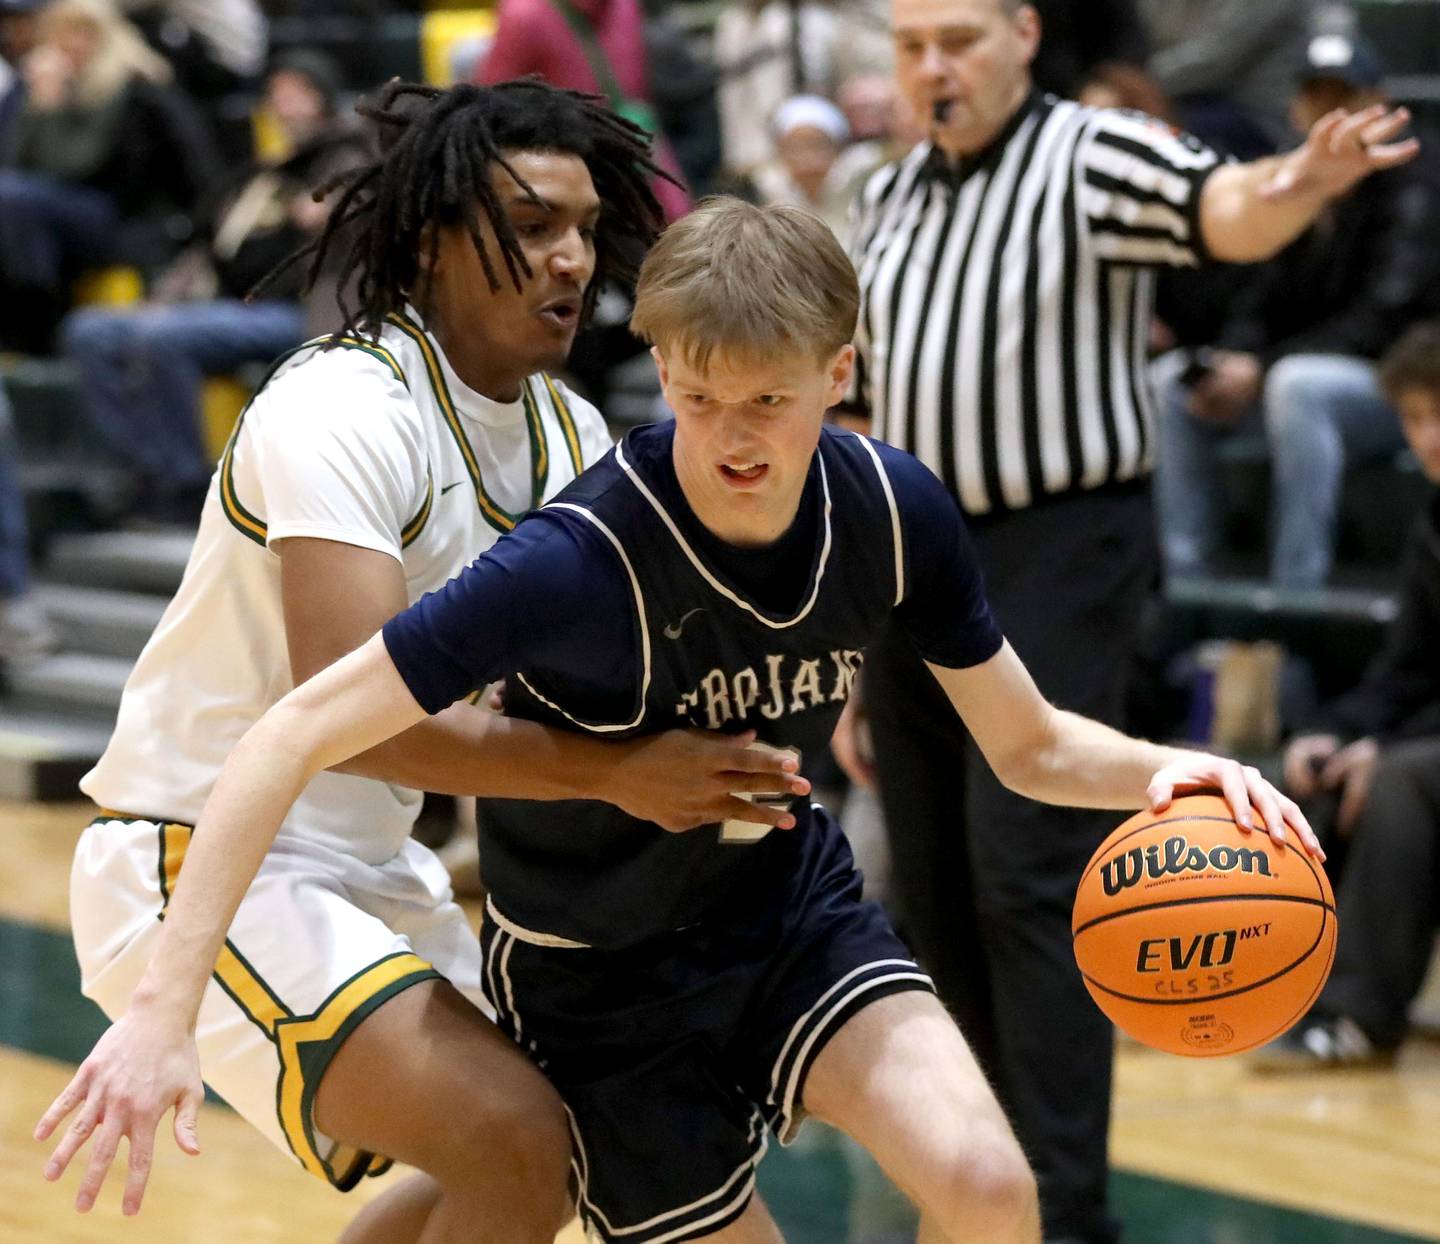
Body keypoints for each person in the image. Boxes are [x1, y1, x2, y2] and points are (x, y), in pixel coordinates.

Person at [41, 197, 1321, 1244]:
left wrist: (1188, 769)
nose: (732, 438)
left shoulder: (896, 509)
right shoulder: (577, 557)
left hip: (789, 918)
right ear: (662, 368)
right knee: (503, 1169)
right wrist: (159, 1010)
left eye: (767, 401)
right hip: (602, 980)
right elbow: (289, 729)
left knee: (991, 1187)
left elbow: (1032, 744)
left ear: (839, 373)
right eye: (700, 397)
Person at [34, 81, 806, 1241]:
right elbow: (366, 721)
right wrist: (615, 771)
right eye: (533, 224)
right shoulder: (342, 405)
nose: (571, 258)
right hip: (199, 857)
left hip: (373, 860)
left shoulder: (572, 434)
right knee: (508, 1133)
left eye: (586, 228)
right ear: (435, 237)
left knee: (565, 1143)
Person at [833, 1, 1414, 1238]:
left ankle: (1063, 1209)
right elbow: (866, 411)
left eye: (961, 39)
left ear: (1023, 33)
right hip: (909, 553)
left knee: (1024, 870)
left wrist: (1301, 179)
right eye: (911, 44)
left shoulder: (1089, 153)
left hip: (1059, 543)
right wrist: (847, 657)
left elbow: (1228, 207)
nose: (935, 66)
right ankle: (974, 1190)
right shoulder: (881, 195)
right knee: (928, 881)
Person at [1154, 32, 1440, 589]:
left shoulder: (1419, 179)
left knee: (1297, 386)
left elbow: (1384, 318)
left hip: (1401, 388)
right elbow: (1254, 295)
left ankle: (1295, 598)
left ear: (1380, 104)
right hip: (1296, 372)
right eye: (1317, 98)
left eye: (1345, 97)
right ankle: (1185, 591)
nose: (1331, 116)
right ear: (1294, 109)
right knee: (1173, 383)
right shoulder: (1290, 181)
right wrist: (1232, 358)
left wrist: (1260, 368)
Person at [57, 49, 368, 524]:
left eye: (297, 94)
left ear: (323, 99)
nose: (285, 106)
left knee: (165, 338)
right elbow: (208, 244)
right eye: (277, 96)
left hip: (295, 311)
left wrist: (327, 209)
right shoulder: (261, 173)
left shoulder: (346, 156)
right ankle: (142, 470)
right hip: (221, 302)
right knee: (89, 330)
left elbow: (368, 207)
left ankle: (183, 483)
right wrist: (163, 297)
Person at [1259, 321, 1440, 1069]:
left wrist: (1387, 747)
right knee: (1302, 779)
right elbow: (1407, 670)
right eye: (1414, 418)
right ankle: (1258, 990)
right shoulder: (1434, 521)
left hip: (1425, 754)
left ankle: (1364, 1018)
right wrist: (1335, 734)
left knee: (1400, 782)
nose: (1428, 437)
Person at [0, 0, 213, 351]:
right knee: (12, 199)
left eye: (82, 34)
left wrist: (48, 111)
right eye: (61, 36)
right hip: (53, 216)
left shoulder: (131, 87)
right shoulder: (40, 84)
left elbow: (76, 166)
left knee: (13, 200)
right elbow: (11, 162)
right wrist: (35, 109)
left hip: (126, 219)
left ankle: (37, 330)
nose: (71, 46)